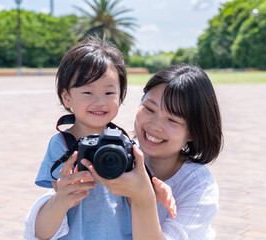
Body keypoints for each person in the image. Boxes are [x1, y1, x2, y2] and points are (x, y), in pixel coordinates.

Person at [25, 62, 223, 239]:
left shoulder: (198, 187)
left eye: (172, 120)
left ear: (192, 132)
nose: (155, 125)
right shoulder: (113, 153)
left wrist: (143, 197)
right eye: (149, 109)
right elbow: (43, 230)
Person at [24, 35, 176, 240]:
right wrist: (63, 194)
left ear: (120, 95)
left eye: (109, 93)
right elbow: (52, 210)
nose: (99, 102)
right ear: (67, 97)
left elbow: (133, 200)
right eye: (87, 92)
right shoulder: (62, 145)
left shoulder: (123, 143)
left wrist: (151, 189)